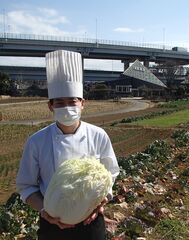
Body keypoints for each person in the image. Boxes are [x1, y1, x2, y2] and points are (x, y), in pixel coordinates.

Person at [16, 50, 120, 240]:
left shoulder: (98, 135)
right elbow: (26, 187)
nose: (66, 107)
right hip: (52, 224)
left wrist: (100, 204)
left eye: (72, 101)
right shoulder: (37, 141)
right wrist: (44, 211)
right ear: (50, 106)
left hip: (92, 220)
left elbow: (110, 174)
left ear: (82, 103)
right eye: (60, 102)